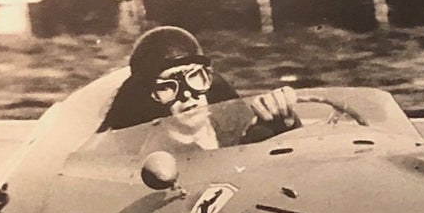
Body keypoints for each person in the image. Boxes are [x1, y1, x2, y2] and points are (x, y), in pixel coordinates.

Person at [100, 25, 299, 143]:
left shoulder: (233, 128)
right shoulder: (152, 157)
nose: (187, 95)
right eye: (167, 86)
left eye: (194, 76)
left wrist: (287, 124)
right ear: (151, 96)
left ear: (208, 78)